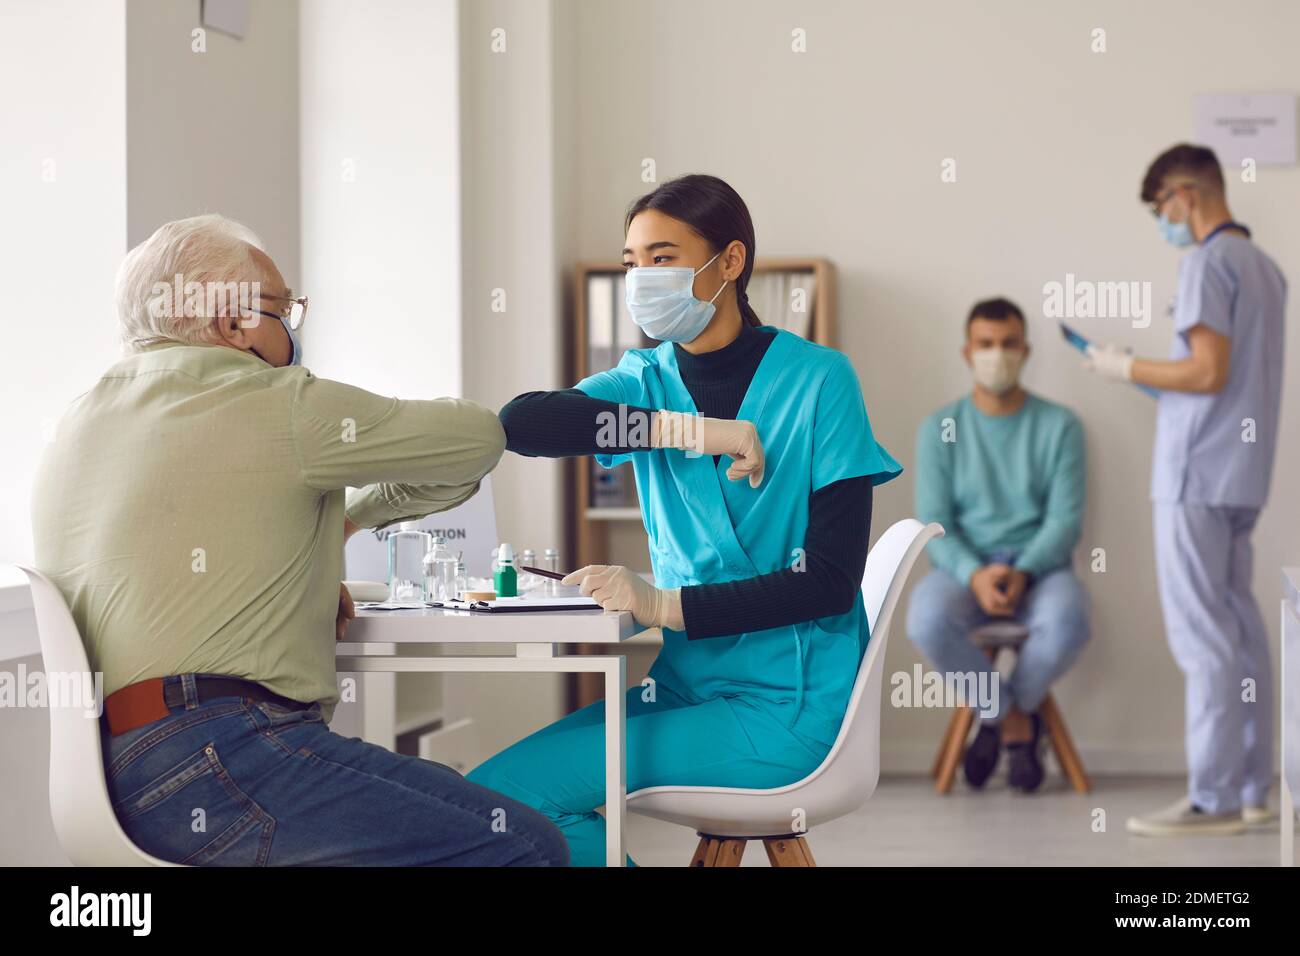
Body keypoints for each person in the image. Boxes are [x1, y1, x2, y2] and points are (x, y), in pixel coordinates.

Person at [31, 214, 568, 866]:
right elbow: (477, 441)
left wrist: (340, 520)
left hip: (119, 781)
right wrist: (355, 514)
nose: (292, 329)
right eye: (282, 310)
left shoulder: (76, 422)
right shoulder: (280, 402)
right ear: (233, 324)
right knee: (526, 846)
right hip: (227, 755)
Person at [466, 174, 902, 865]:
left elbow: (827, 582)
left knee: (505, 808)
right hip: (683, 688)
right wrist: (692, 432)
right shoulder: (645, 381)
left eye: (663, 257)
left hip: (785, 708)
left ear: (729, 262)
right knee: (489, 802)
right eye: (632, 261)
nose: (642, 278)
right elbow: (522, 424)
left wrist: (661, 603)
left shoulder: (821, 380)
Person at [1083, 144, 1286, 836]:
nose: (1162, 222)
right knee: (1241, 631)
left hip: (1195, 476)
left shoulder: (1205, 262)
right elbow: (1223, 380)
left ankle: (1213, 799)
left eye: (1160, 208)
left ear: (1183, 195)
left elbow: (1205, 374)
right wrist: (1139, 374)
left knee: (1204, 637)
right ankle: (1258, 788)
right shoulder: (1268, 271)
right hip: (1241, 475)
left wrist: (1123, 363)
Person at [907, 297, 1090, 793]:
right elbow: (934, 521)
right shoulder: (939, 427)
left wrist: (1024, 571)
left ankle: (995, 718)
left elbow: (1065, 520)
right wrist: (974, 574)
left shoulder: (1060, 426)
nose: (997, 354)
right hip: (964, 569)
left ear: (1026, 350)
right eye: (986, 344)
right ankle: (1015, 723)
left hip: (1042, 569)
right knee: (925, 619)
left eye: (1008, 344)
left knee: (1070, 621)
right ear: (968, 352)